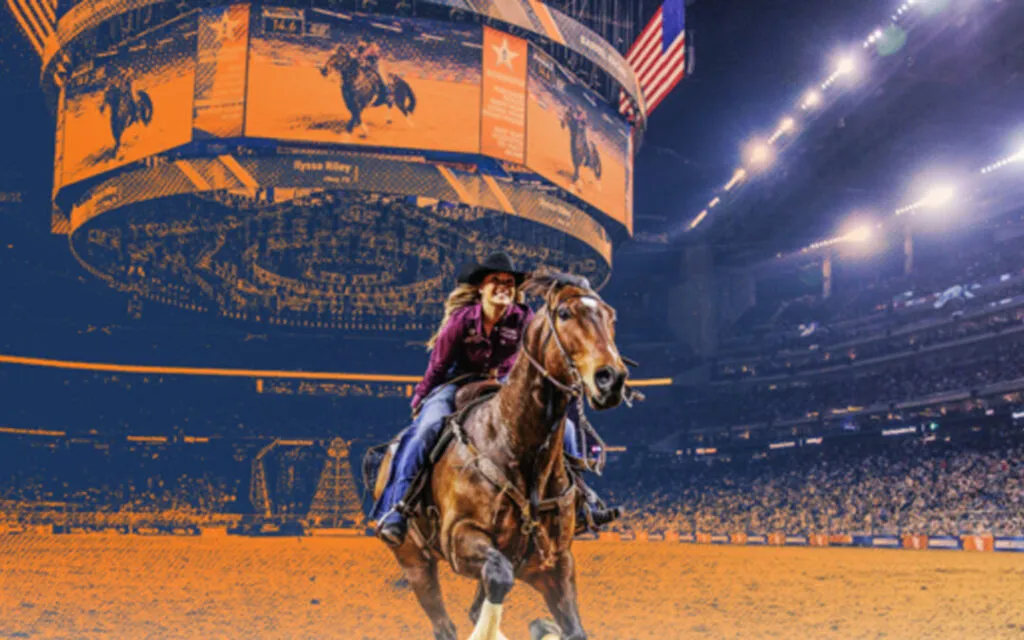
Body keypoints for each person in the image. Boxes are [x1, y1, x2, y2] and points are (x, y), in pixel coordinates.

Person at [370, 251, 620, 547]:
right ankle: (396, 509)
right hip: (455, 384)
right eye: (496, 281)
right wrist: (421, 400)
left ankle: (582, 505)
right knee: (426, 430)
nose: (504, 286)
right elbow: (438, 366)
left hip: (502, 385)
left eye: (509, 282)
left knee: (563, 429)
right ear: (480, 288)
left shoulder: (523, 318)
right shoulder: (462, 321)